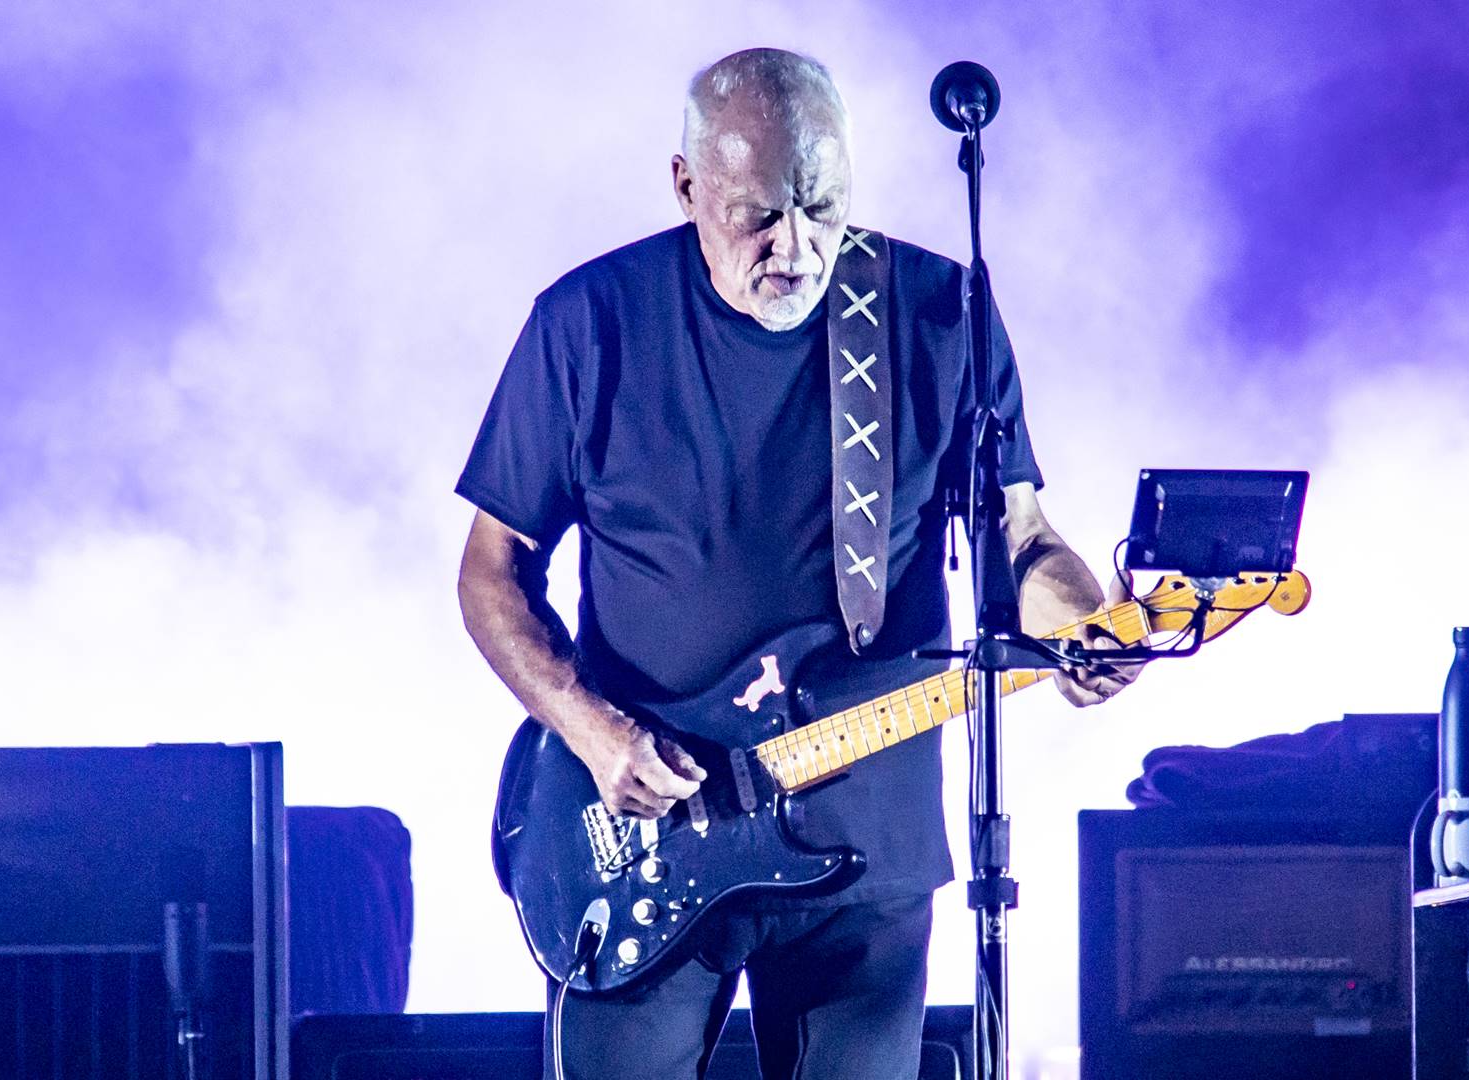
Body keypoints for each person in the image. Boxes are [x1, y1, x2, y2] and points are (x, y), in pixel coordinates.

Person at [455, 47, 1136, 1080]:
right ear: (686, 185)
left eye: (821, 207)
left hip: (869, 830)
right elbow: (490, 572)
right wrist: (593, 734)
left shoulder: (936, 311)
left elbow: (1023, 535)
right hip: (651, 822)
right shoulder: (587, 322)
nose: (796, 246)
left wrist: (1083, 624)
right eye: (758, 215)